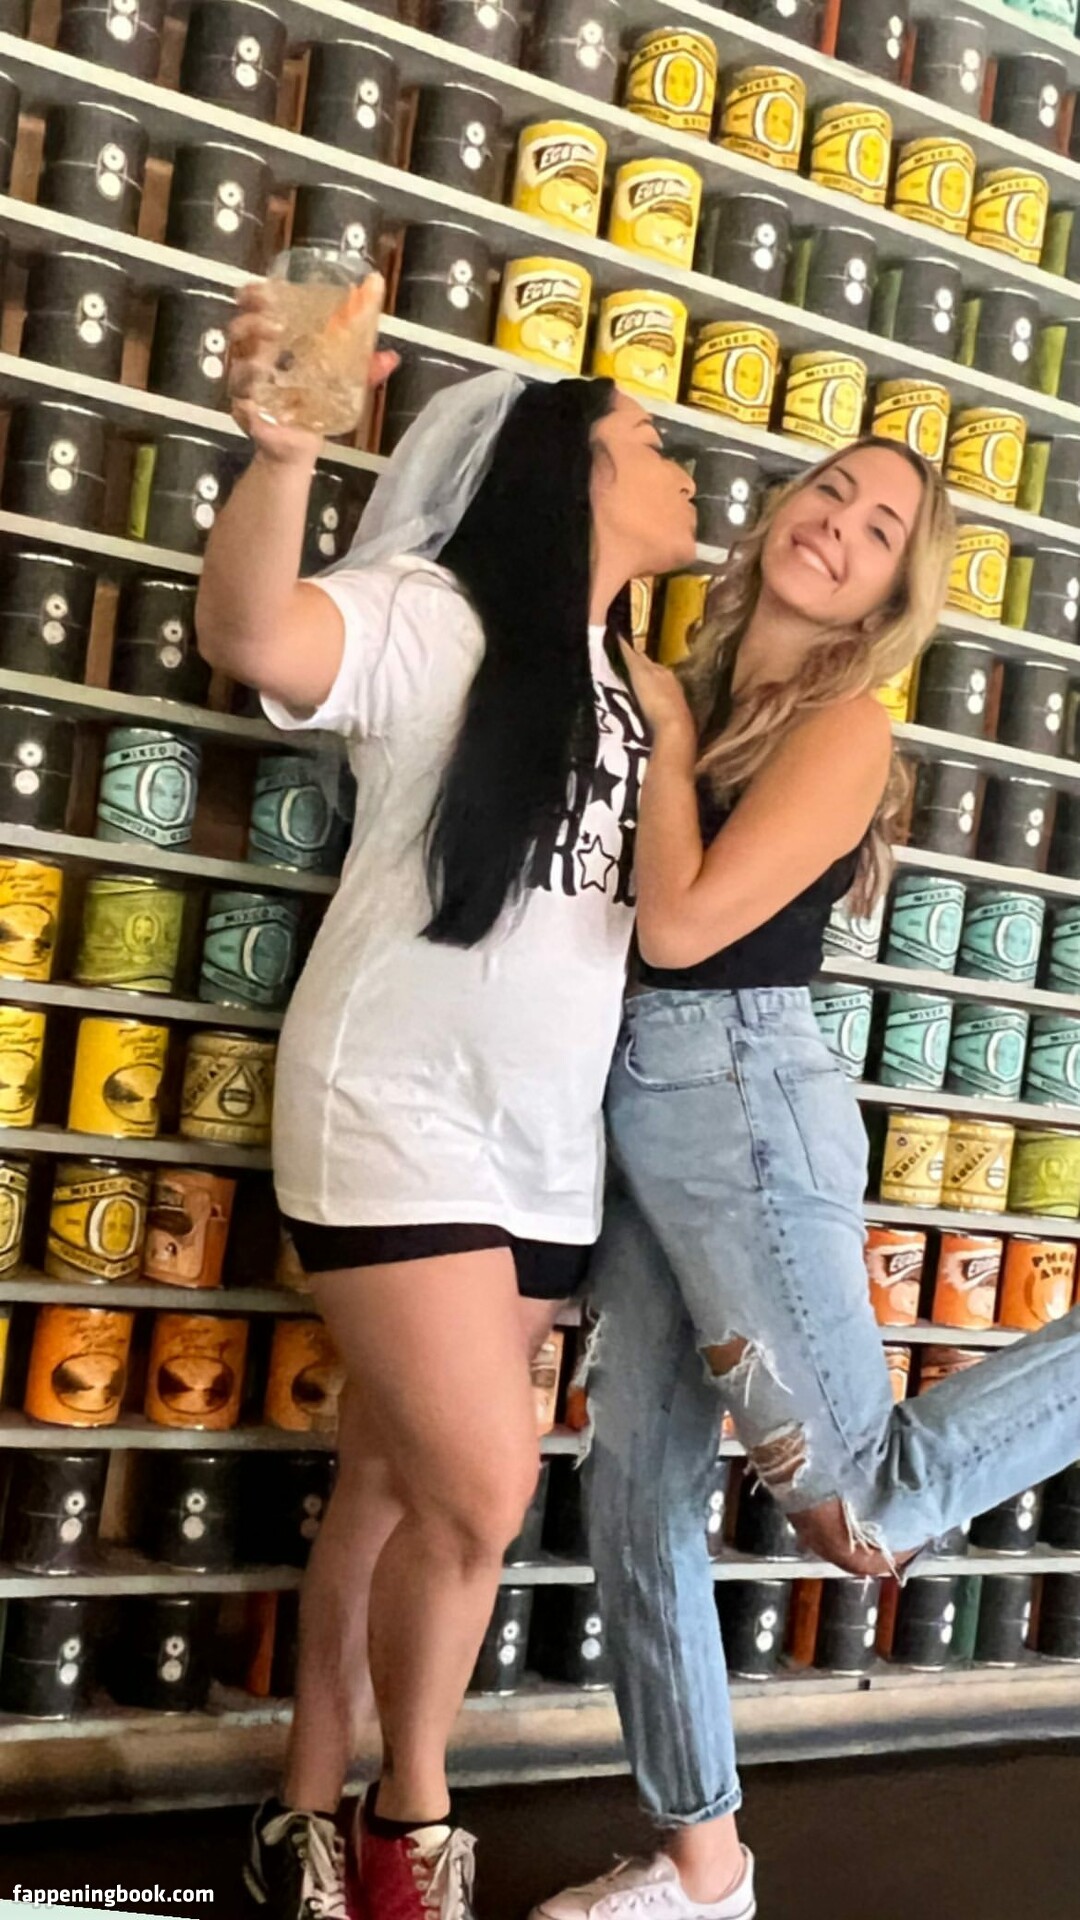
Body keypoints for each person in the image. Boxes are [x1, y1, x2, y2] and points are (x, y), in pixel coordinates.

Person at [196, 276, 698, 1920]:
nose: (683, 468)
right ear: (574, 476)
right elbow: (255, 636)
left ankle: (298, 1812)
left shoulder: (641, 689)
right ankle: (413, 1823)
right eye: (651, 442)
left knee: (397, 1485)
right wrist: (284, 457)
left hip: (543, 1157)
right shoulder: (434, 616)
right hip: (393, 1112)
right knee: (483, 1491)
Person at [531, 436, 1080, 1920]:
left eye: (881, 526)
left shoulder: (845, 725)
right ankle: (703, 1867)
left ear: (894, 592)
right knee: (634, 1493)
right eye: (831, 491)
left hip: (737, 1103)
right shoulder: (700, 692)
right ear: (783, 509)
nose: (840, 523)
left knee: (865, 1509)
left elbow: (683, 927)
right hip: (634, 1098)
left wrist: (657, 733)